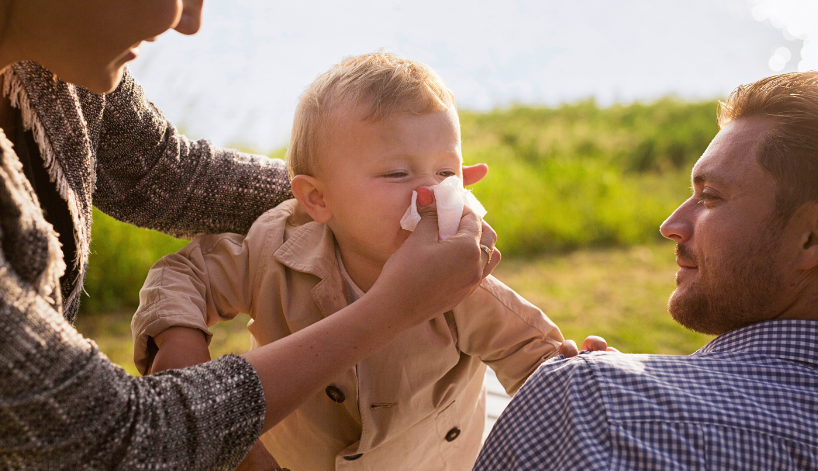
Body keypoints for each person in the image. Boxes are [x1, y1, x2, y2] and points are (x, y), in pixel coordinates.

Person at [0, 0, 499, 469]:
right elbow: (112, 445)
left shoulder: (37, 42)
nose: (191, 22)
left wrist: (371, 199)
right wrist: (389, 308)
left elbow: (167, 173)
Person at [132, 53, 566, 471]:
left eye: (446, 173)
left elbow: (536, 360)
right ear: (318, 199)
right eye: (397, 174)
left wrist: (581, 377)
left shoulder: (457, 283)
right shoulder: (274, 250)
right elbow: (185, 274)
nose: (430, 194)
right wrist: (179, 337)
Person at [474, 71, 818, 471]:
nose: (670, 224)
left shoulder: (590, 402)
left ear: (816, 234)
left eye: (710, 197)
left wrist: (606, 401)